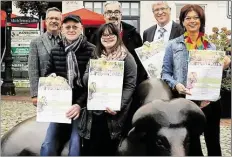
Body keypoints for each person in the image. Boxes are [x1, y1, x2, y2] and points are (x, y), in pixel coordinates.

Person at [161, 4, 230, 156]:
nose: (192, 21)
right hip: (186, 102)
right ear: (183, 22)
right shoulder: (173, 45)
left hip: (210, 102)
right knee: (192, 145)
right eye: (188, 18)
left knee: (213, 143)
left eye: (196, 18)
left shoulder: (211, 47)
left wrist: (225, 64)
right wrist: (176, 84)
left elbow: (219, 76)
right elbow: (165, 73)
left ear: (201, 20)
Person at [40, 15, 95, 156]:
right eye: (68, 27)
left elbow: (93, 84)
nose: (71, 29)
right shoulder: (55, 50)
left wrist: (78, 104)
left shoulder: (92, 50)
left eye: (75, 26)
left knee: (76, 143)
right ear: (62, 29)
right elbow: (48, 73)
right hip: (60, 105)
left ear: (81, 29)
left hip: (82, 106)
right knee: (47, 144)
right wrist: (51, 78)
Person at [81, 23, 137, 156]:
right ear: (100, 38)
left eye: (111, 34)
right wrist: (96, 69)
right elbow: (85, 81)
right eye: (104, 35)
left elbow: (130, 85)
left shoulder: (126, 57)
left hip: (114, 115)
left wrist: (118, 105)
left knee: (108, 148)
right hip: (94, 112)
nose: (107, 37)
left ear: (117, 36)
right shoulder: (96, 55)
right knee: (92, 148)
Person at [90, 1, 144, 85]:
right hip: (103, 86)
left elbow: (141, 63)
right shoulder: (95, 36)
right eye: (109, 12)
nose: (113, 15)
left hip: (129, 85)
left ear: (121, 15)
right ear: (104, 16)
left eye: (116, 12)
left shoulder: (134, 35)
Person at [28, 7, 62, 106]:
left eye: (57, 19)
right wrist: (34, 94)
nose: (54, 21)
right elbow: (33, 69)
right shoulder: (36, 42)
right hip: (45, 90)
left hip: (66, 90)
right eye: (51, 18)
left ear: (61, 22)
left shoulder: (67, 40)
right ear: (46, 21)